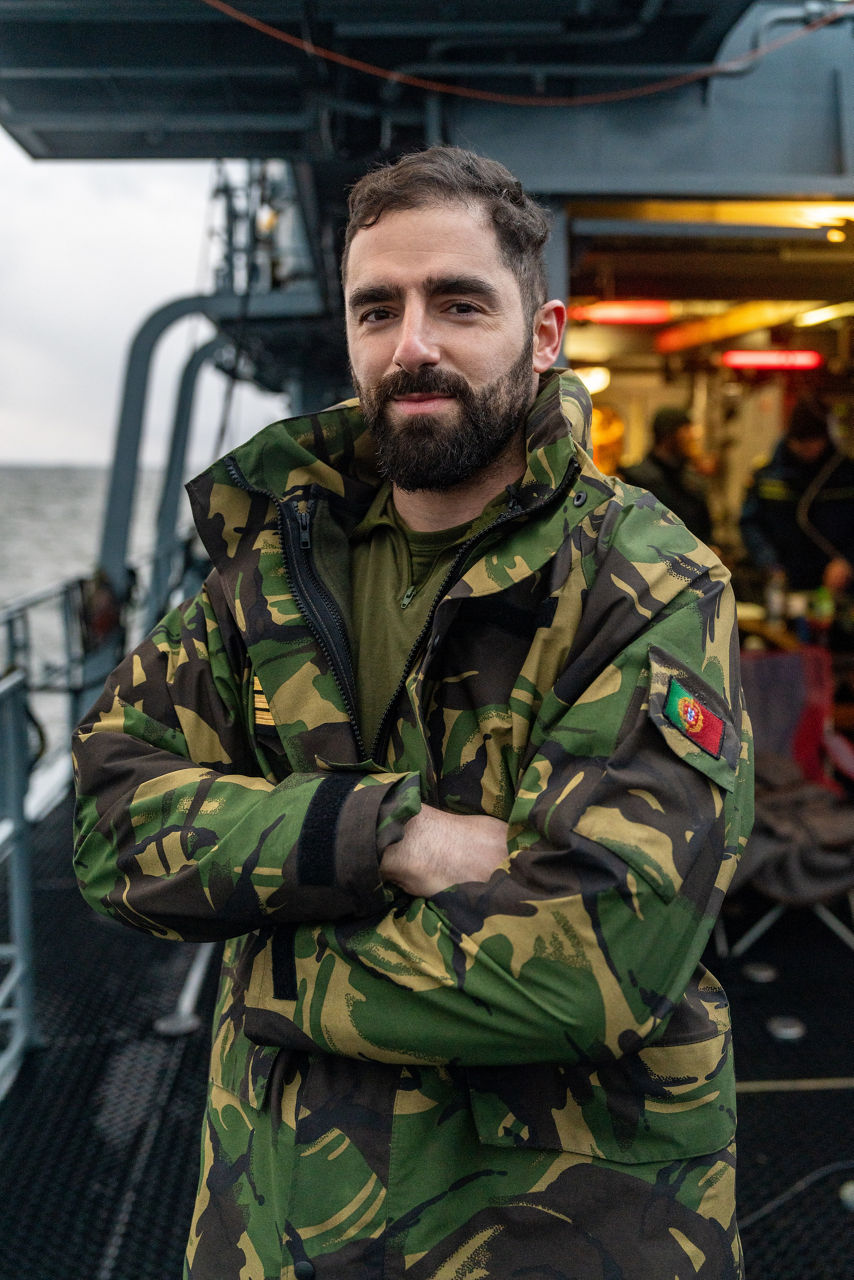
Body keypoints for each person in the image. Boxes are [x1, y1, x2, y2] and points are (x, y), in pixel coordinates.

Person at [72, 147, 753, 1280]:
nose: (412, 344)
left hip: (553, 1234)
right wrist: (382, 834)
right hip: (275, 1220)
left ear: (541, 336)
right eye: (376, 308)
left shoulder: (645, 584)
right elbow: (106, 821)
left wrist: (264, 964)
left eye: (458, 303)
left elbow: (590, 956)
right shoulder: (273, 567)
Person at [739, 397, 854, 595]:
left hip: (837, 588)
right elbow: (751, 522)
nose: (805, 450)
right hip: (782, 584)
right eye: (799, 442)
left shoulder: (846, 476)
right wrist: (768, 562)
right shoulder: (768, 474)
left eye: (812, 443)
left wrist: (848, 561)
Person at [621, 405, 714, 543]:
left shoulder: (692, 480)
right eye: (686, 430)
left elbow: (704, 530)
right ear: (668, 436)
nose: (692, 437)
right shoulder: (636, 479)